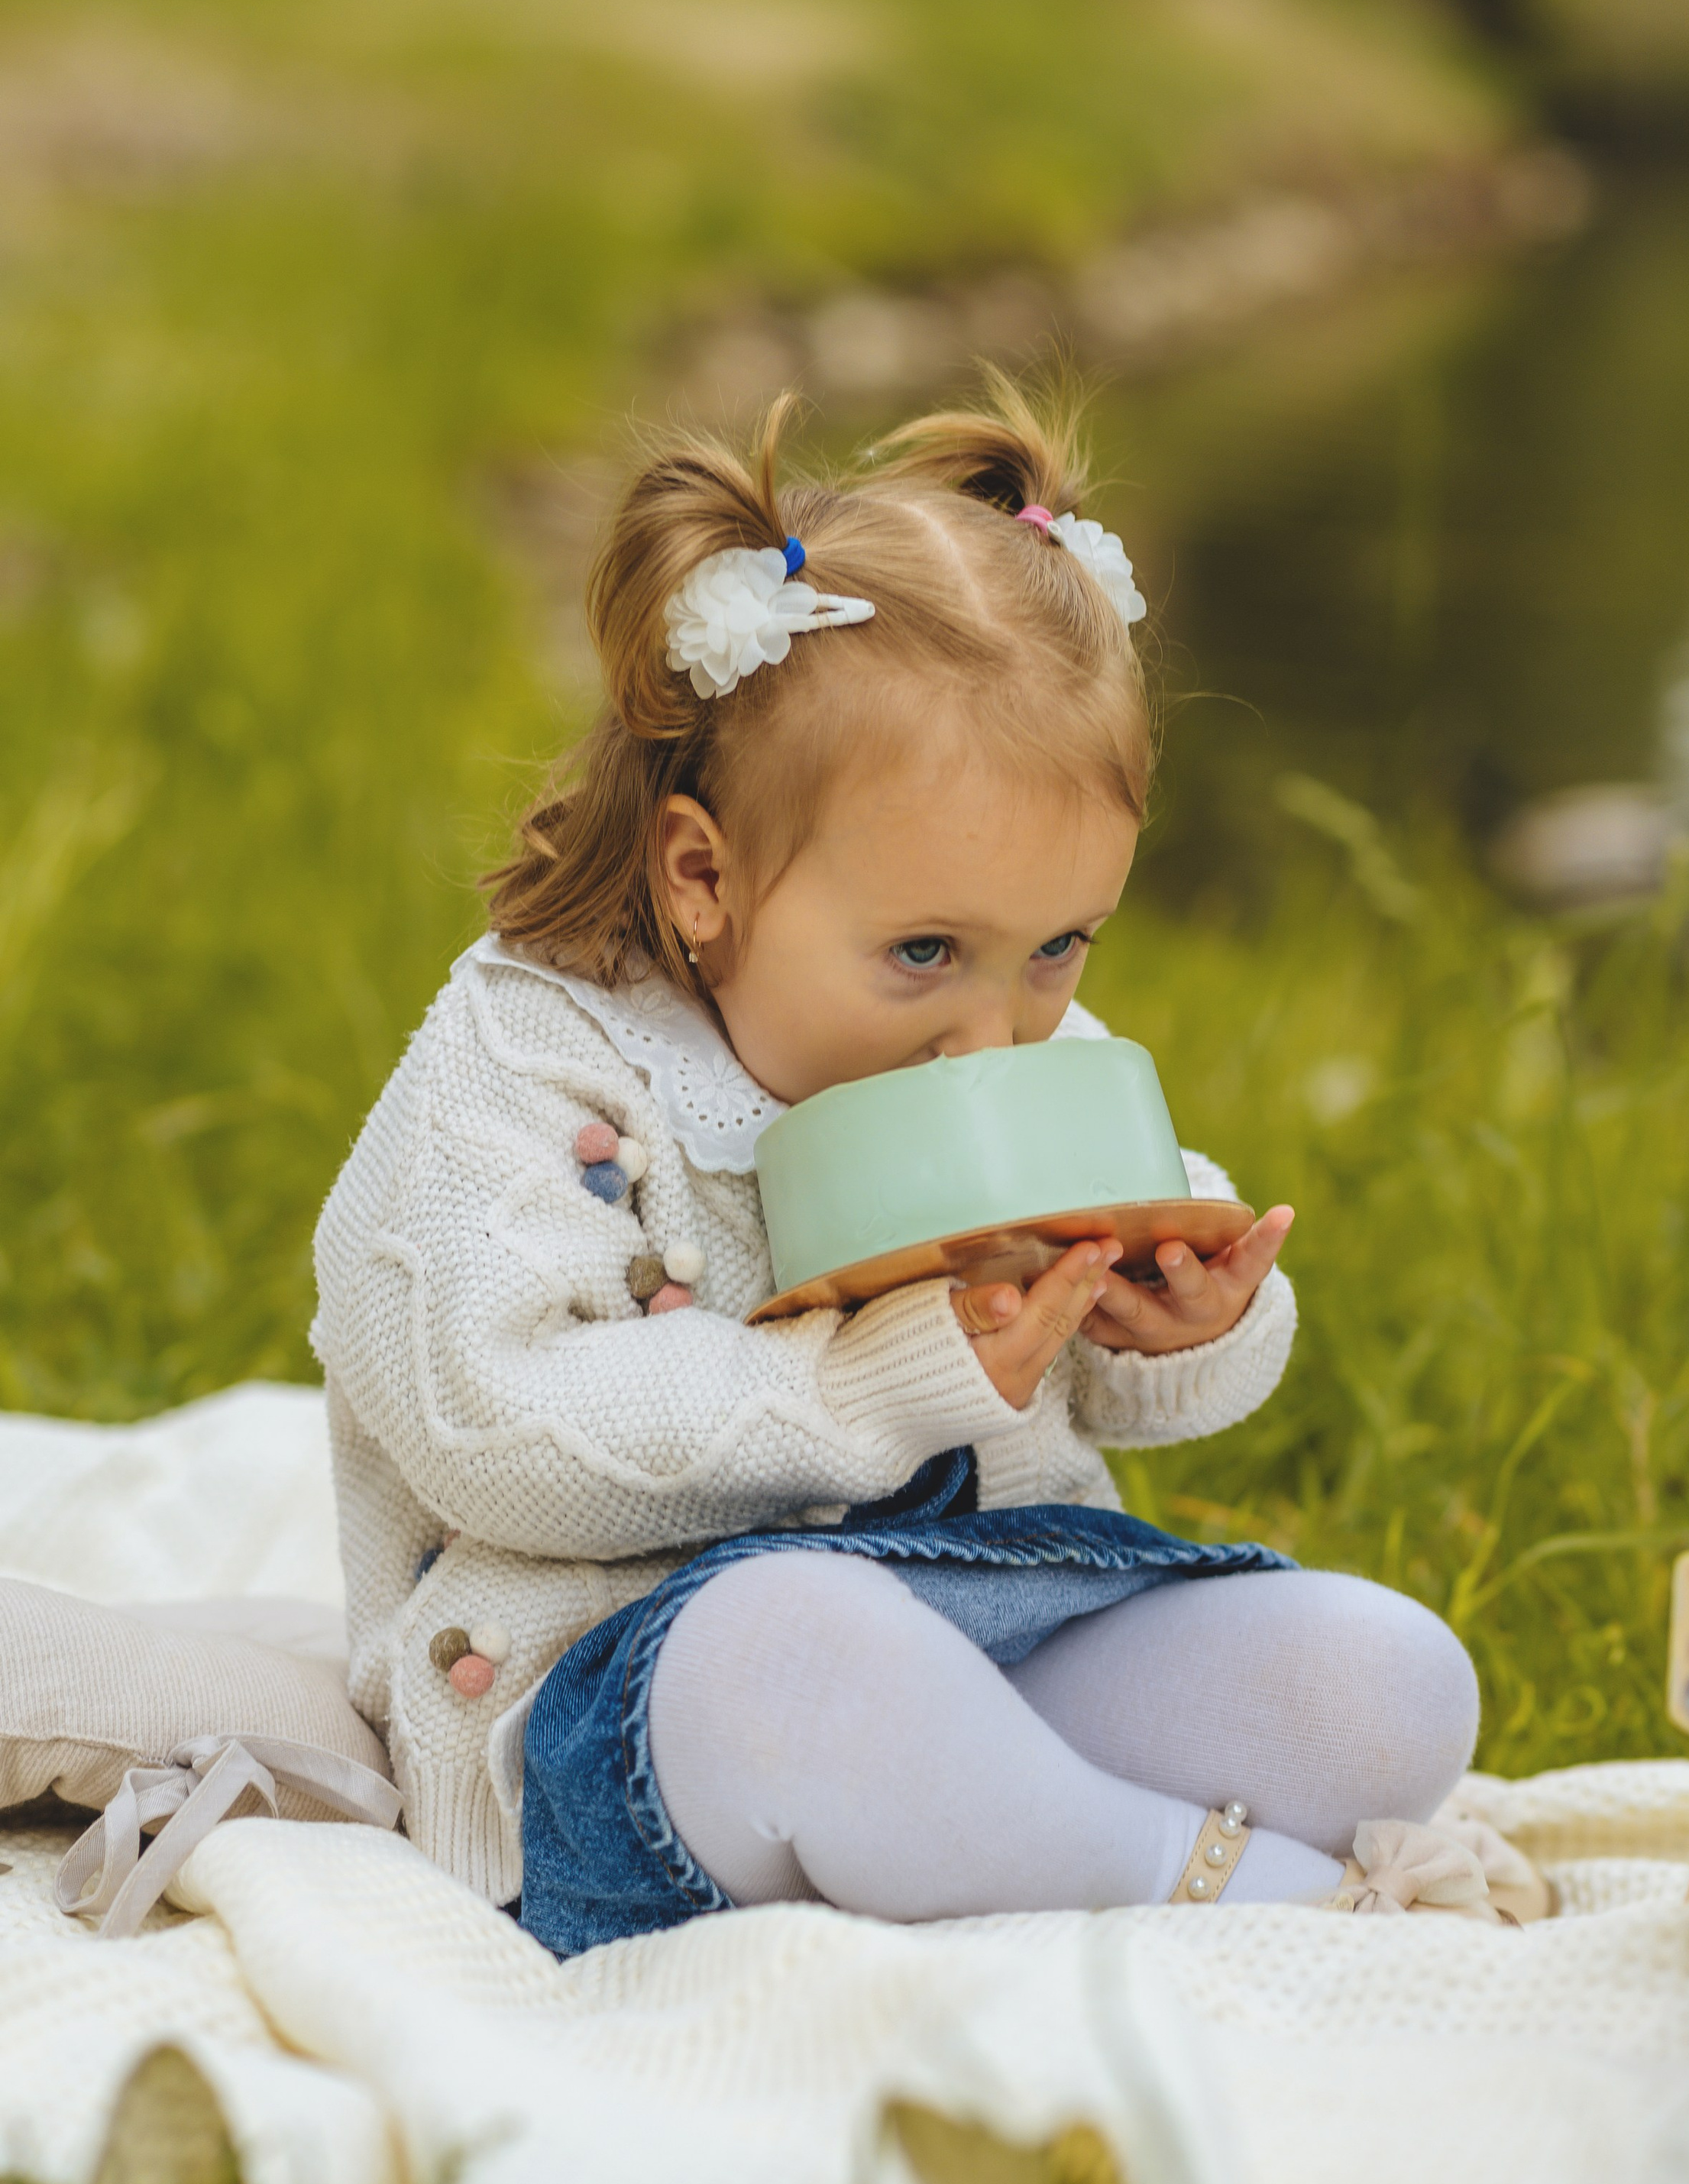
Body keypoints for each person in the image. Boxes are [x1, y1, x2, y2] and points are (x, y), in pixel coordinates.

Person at [314, 383, 1501, 1956]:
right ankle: (1224, 1894)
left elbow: (1094, 1357)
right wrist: (871, 1388)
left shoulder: (995, 1034)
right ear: (703, 876)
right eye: (924, 951)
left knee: (1392, 1685)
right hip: (634, 1703)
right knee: (795, 1650)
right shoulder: (532, 1073)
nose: (993, 1033)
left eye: (1060, 947)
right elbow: (491, 1424)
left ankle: (1000, 1827)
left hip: (992, 1606)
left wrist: (1181, 1320)